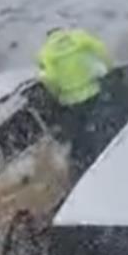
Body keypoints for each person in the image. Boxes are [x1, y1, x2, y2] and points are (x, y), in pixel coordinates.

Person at [37, 27, 113, 174]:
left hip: (71, 101)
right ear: (64, 32)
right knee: (101, 125)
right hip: (93, 91)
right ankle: (106, 152)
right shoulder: (79, 37)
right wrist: (108, 69)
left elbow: (49, 78)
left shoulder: (45, 52)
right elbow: (101, 49)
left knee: (80, 136)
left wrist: (56, 94)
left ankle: (85, 166)